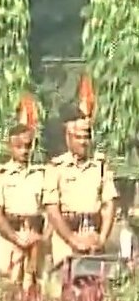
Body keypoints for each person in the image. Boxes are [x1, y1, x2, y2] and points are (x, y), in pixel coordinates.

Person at [43, 75, 118, 273]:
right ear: (68, 138)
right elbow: (52, 210)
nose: (84, 142)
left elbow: (109, 204)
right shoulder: (56, 168)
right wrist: (72, 240)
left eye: (87, 137)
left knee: (95, 293)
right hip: (66, 239)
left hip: (93, 237)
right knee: (67, 291)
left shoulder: (100, 166)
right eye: (78, 137)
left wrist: (101, 238)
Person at [0, 95, 46, 289]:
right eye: (19, 147)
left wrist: (40, 237)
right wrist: (16, 237)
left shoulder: (41, 174)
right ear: (10, 147)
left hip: (33, 236)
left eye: (28, 146)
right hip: (9, 236)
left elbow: (48, 209)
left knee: (33, 288)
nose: (24, 151)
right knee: (8, 289)